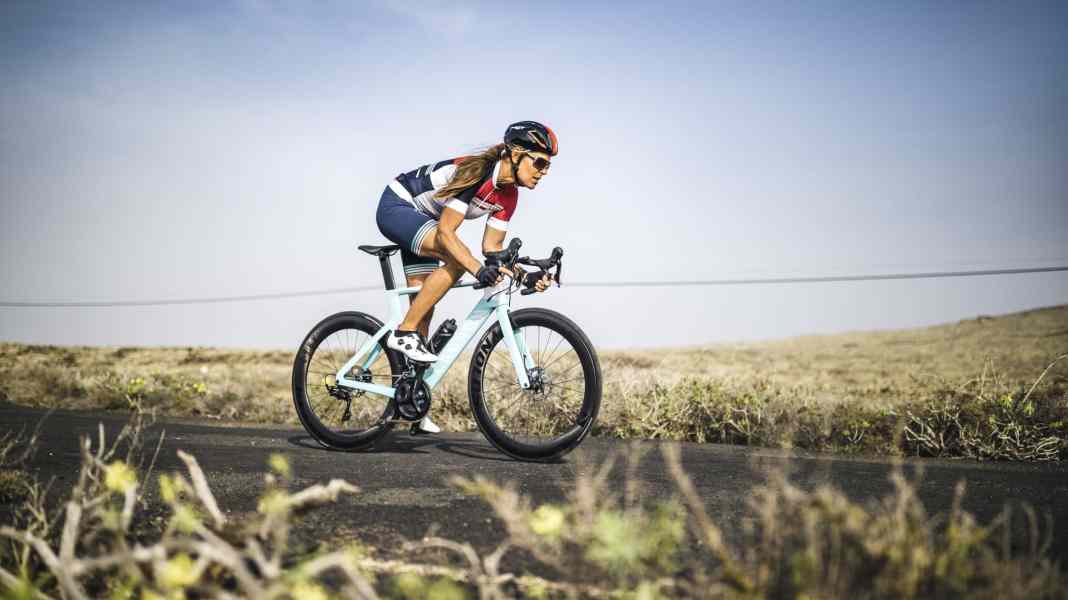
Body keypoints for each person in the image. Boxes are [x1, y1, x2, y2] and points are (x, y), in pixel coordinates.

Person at [374, 121, 558, 432]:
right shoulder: (476, 173)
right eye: (539, 162)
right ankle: (402, 332)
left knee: (425, 307)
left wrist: (524, 276)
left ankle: (411, 402)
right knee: (457, 262)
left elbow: (492, 249)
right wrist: (475, 268)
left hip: (426, 218)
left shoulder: (509, 195)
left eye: (548, 166)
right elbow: (447, 232)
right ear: (515, 154)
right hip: (398, 206)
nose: (544, 171)